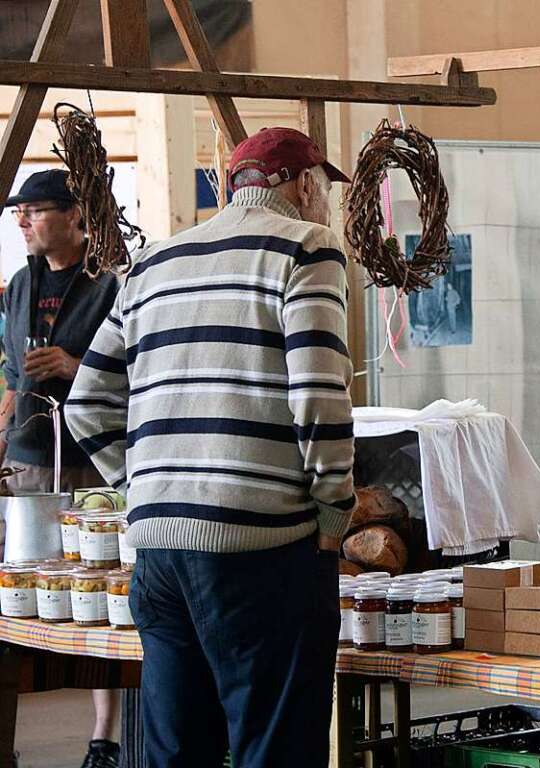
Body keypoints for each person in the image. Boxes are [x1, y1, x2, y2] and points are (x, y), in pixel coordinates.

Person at [66, 127, 357, 768]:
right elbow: (318, 393)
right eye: (325, 191)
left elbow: (86, 402)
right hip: (263, 547)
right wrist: (335, 505)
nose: (327, 206)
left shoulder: (153, 264)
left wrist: (140, 483)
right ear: (305, 185)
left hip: (160, 552)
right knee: (274, 746)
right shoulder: (309, 249)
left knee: (178, 749)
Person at [0, 168, 122, 768]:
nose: (22, 220)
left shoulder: (110, 284)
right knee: (20, 593)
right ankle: (9, 736)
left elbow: (138, 367)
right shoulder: (19, 283)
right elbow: (9, 368)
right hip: (27, 459)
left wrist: (76, 366)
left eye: (35, 209)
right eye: (17, 211)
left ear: (75, 215)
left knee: (99, 591)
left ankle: (104, 737)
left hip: (92, 457)